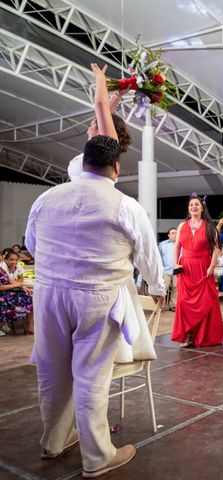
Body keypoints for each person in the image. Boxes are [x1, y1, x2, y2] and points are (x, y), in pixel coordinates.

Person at [26, 131, 165, 476]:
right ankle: (98, 456)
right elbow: (148, 257)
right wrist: (157, 285)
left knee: (52, 370)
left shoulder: (47, 198)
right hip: (98, 296)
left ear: (83, 161)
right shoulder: (125, 205)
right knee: (91, 376)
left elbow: (32, 244)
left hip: (49, 294)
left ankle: (53, 442)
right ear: (116, 167)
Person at [171, 196, 223, 348]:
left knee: (205, 301)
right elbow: (176, 247)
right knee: (183, 301)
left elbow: (216, 248)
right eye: (191, 205)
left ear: (202, 208)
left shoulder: (209, 226)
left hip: (203, 266)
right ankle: (189, 334)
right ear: (188, 208)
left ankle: (204, 335)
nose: (193, 207)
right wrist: (175, 263)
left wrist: (212, 266)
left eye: (196, 205)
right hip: (186, 268)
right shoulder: (182, 225)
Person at [0, 259, 33, 335]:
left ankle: (29, 326)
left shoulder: (1, 270)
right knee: (7, 301)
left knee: (29, 296)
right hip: (2, 294)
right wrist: (18, 285)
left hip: (7, 292)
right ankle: (4, 323)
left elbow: (10, 280)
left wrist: (22, 286)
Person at [158, 228, 177, 310]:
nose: (175, 235)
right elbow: (158, 257)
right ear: (168, 235)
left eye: (176, 233)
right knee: (163, 289)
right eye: (172, 233)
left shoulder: (180, 244)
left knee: (175, 289)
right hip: (166, 270)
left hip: (177, 271)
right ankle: (158, 306)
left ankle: (173, 306)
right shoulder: (163, 244)